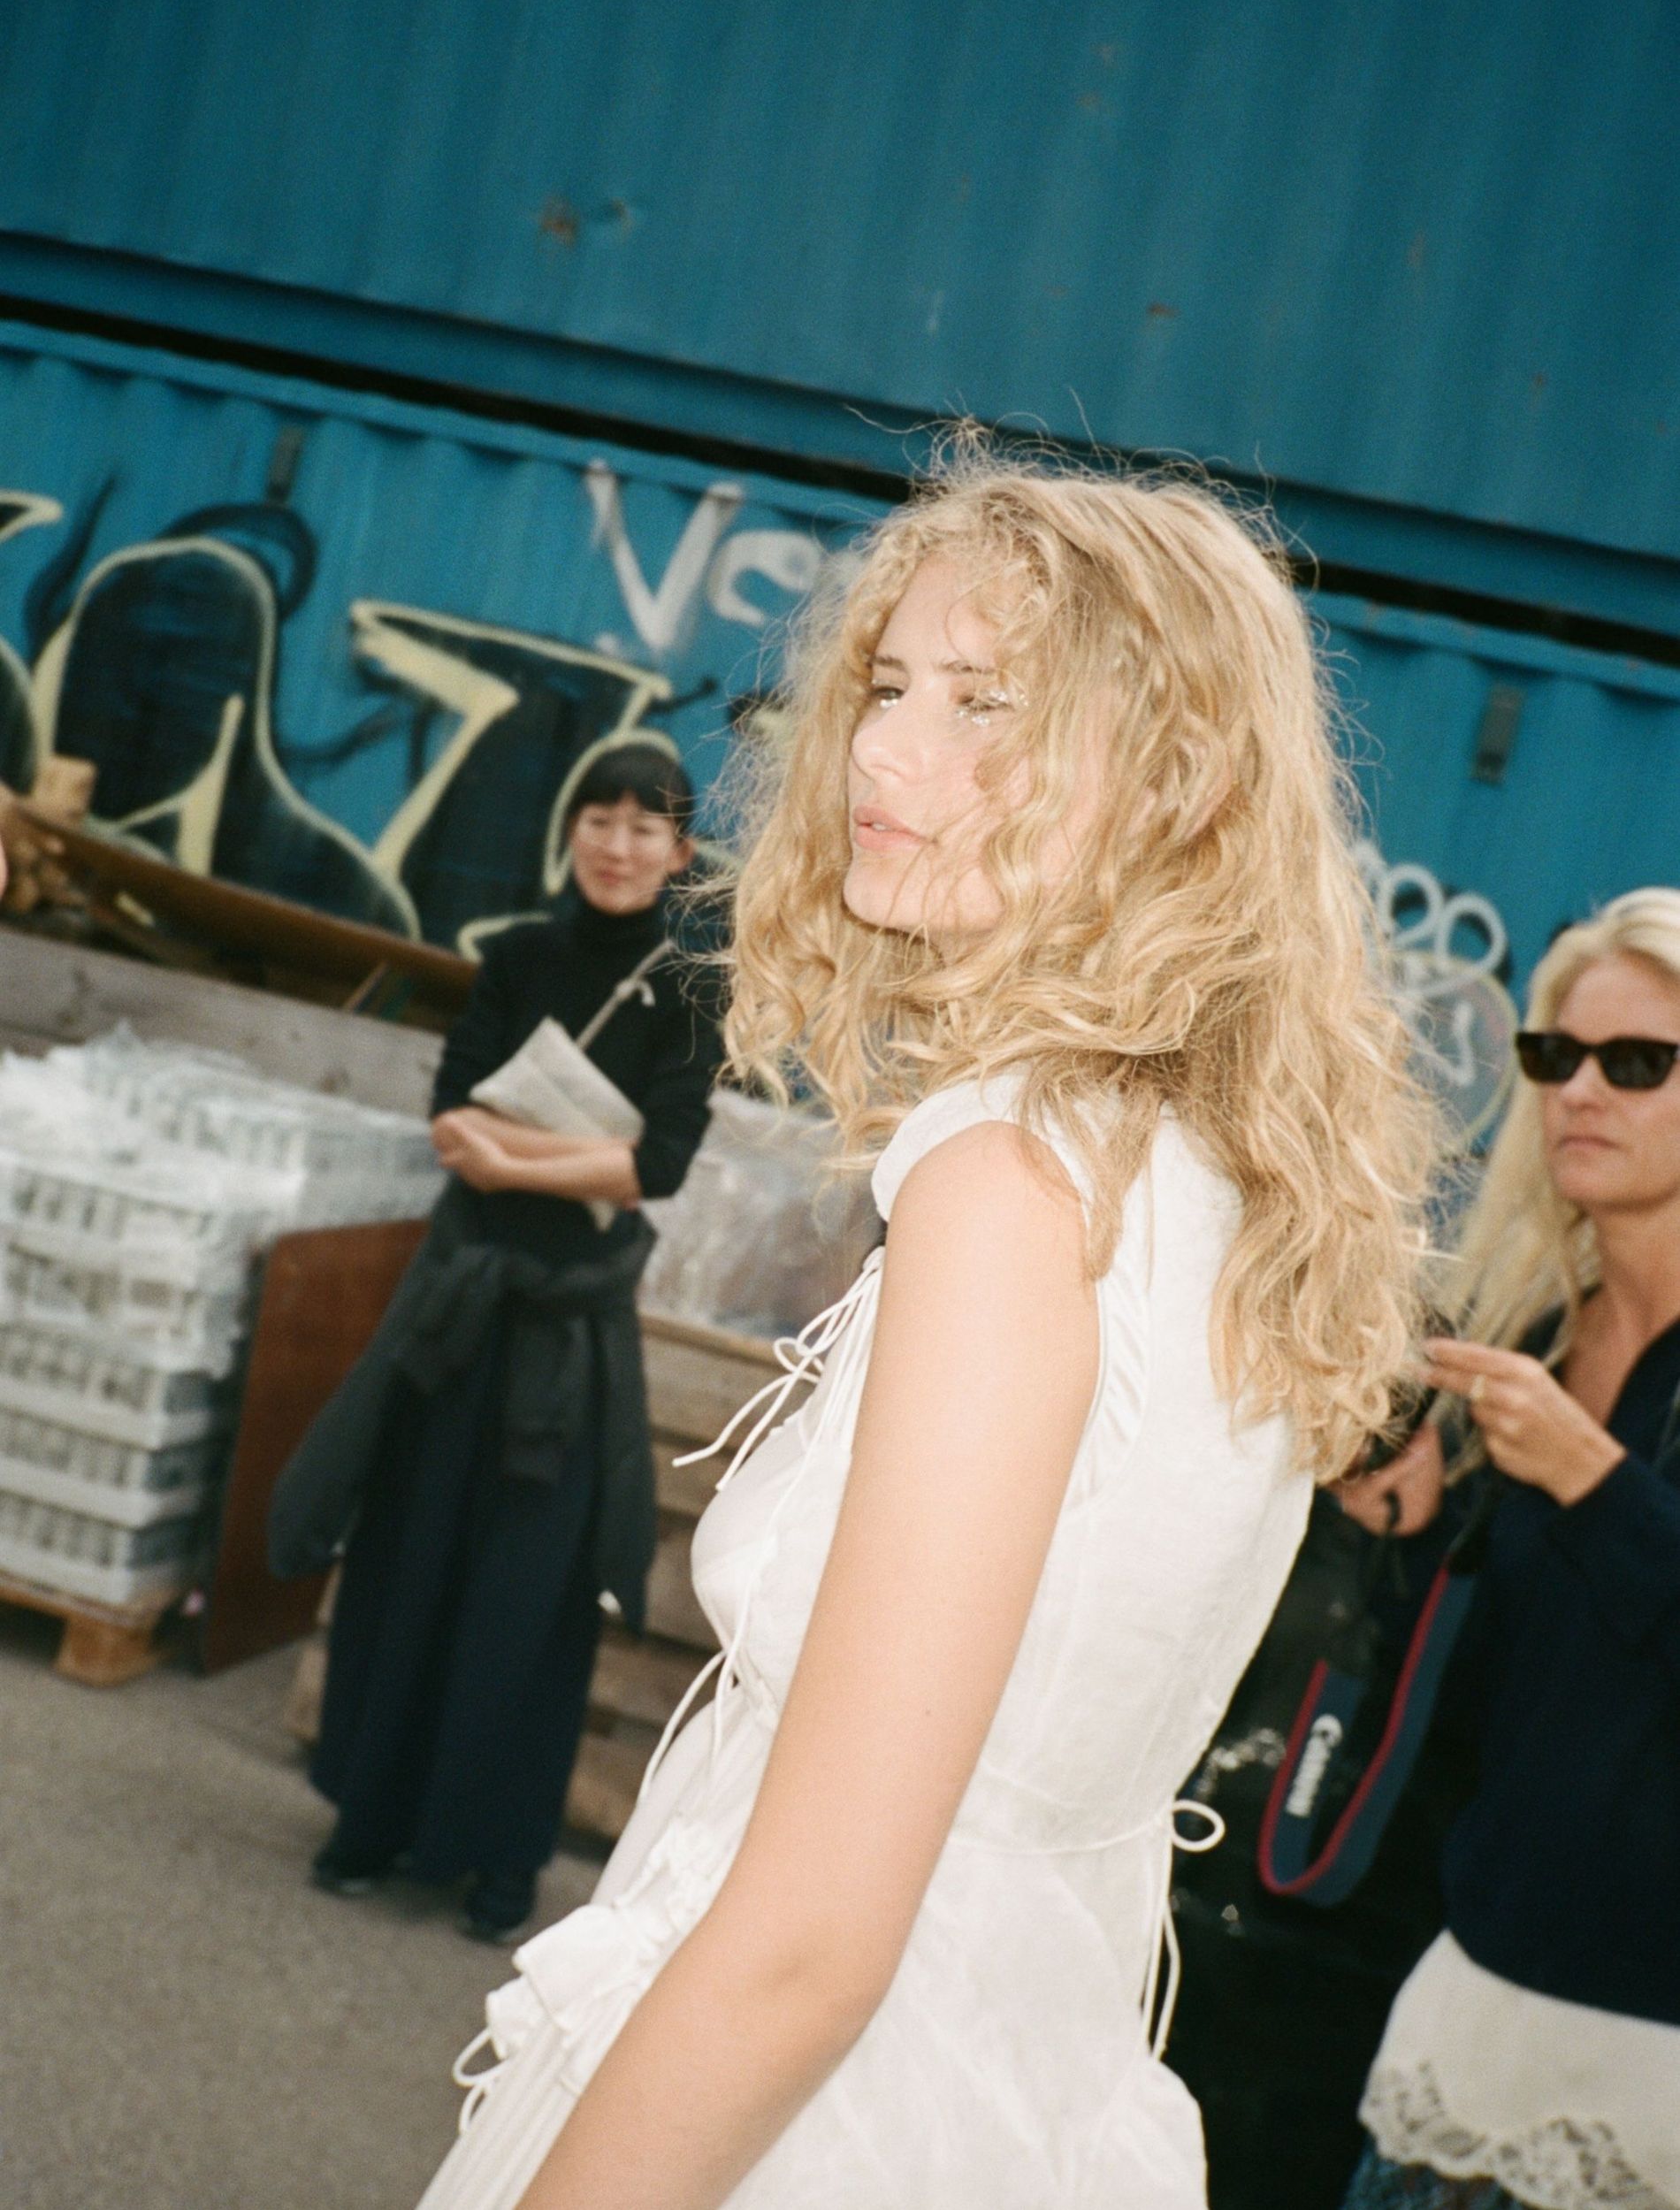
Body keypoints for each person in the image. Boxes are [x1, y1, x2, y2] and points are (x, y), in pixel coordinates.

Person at [415, 454, 1435, 2209]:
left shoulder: (1013, 1181)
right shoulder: (1217, 1176)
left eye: (984, 704)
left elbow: (810, 1949)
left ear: (1177, 780)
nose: (881, 749)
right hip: (1006, 2085)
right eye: (887, 685)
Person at [279, 737, 723, 1944]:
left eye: (644, 827)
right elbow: (448, 1115)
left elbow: (656, 1165)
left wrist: (513, 1156)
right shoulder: (520, 956)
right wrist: (568, 1157)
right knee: (408, 1555)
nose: (617, 845)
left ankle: (499, 1858)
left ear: (680, 852)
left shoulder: (692, 989)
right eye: (599, 819)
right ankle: (370, 1818)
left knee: (530, 1598)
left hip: (568, 1338)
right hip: (456, 1314)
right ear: (571, 832)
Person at [1338, 889, 1680, 2210]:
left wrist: (1594, 1482)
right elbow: (1486, 1705)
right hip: (1469, 2010)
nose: (1581, 1089)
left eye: (1637, 1061)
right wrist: (1412, 1538)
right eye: (1556, 1054)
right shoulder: (1530, 1334)